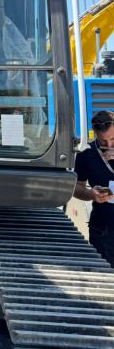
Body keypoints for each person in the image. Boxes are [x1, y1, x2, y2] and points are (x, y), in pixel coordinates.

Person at [74, 110, 114, 265]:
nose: (109, 145)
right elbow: (76, 188)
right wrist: (91, 194)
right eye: (103, 141)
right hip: (103, 229)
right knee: (105, 274)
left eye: (113, 139)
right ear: (95, 134)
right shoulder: (86, 153)